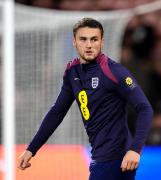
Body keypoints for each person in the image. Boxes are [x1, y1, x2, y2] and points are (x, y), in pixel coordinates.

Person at [18, 18, 153, 180]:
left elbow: (145, 108)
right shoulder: (72, 72)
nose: (89, 45)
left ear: (102, 42)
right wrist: (32, 148)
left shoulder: (114, 72)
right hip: (99, 155)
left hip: (118, 157)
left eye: (94, 39)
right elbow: (57, 111)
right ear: (74, 42)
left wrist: (135, 150)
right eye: (83, 39)